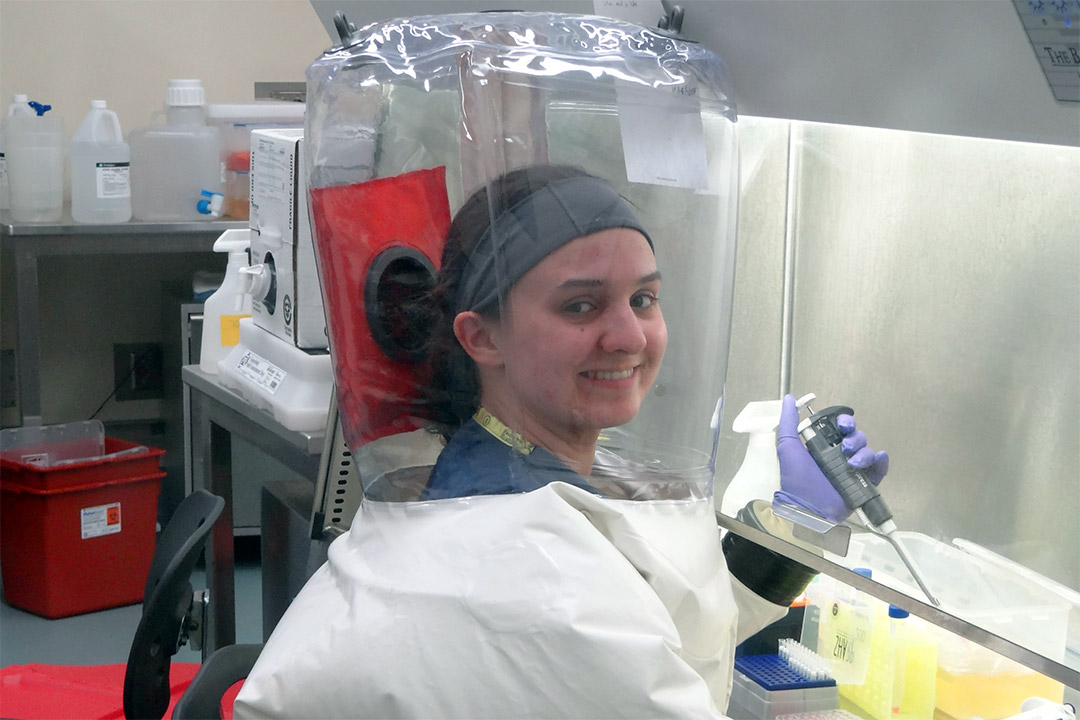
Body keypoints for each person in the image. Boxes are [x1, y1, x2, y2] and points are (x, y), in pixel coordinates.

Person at [234, 164, 888, 719]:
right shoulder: (532, 570)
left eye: (644, 299)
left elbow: (661, 625)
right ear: (482, 337)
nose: (629, 337)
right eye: (581, 306)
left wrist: (791, 523)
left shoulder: (515, 465)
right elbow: (607, 638)